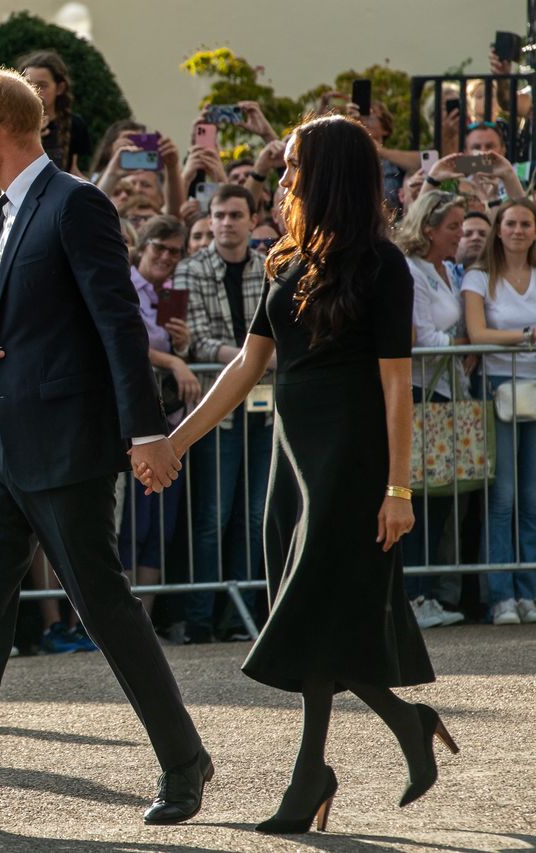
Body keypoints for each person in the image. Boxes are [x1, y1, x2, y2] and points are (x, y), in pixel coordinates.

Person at [0, 69, 211, 837]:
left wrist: (146, 431)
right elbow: (14, 329)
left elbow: (118, 324)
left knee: (103, 606)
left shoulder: (76, 204)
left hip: (67, 447)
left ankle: (183, 757)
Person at [157, 115, 448, 834]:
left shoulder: (382, 265)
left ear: (329, 175)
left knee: (313, 613)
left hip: (353, 464)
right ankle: (403, 726)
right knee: (315, 616)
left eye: (293, 167)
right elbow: (246, 365)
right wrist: (177, 441)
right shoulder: (287, 260)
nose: (282, 179)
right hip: (296, 460)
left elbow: (395, 388)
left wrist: (399, 488)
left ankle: (313, 772)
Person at [173, 184, 272, 644]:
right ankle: (200, 617)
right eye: (220, 215)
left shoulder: (271, 269)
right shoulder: (189, 270)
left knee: (255, 516)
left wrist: (256, 359)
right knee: (213, 515)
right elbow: (195, 341)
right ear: (209, 221)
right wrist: (253, 357)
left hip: (266, 408)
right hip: (218, 408)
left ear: (253, 220)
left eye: (236, 214)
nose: (227, 222)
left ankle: (241, 619)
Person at [395, 190, 471, 629]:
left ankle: (425, 595)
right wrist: (466, 345)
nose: (460, 234)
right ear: (429, 229)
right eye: (453, 227)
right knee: (419, 494)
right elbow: (422, 336)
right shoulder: (413, 269)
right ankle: (413, 595)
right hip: (422, 391)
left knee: (442, 495)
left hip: (449, 389)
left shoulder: (450, 270)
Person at [461, 199, 536, 625]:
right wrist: (527, 335)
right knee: (503, 498)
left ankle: (528, 592)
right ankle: (501, 596)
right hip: (498, 389)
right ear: (499, 229)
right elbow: (477, 333)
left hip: (534, 387)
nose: (519, 230)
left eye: (526, 223)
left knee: (531, 498)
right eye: (511, 223)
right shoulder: (478, 276)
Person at [120, 216, 198, 616]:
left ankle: (144, 620)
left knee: (158, 526)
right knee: (132, 525)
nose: (166, 257)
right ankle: (123, 620)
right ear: (142, 248)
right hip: (135, 424)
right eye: (159, 248)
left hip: (169, 419)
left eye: (174, 251)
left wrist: (181, 346)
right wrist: (174, 360)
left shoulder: (170, 295)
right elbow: (128, 340)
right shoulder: (126, 287)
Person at [18, 51, 90, 178]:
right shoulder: (12, 124)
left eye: (42, 86)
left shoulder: (74, 124)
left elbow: (77, 172)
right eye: (28, 84)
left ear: (60, 88)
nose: (34, 91)